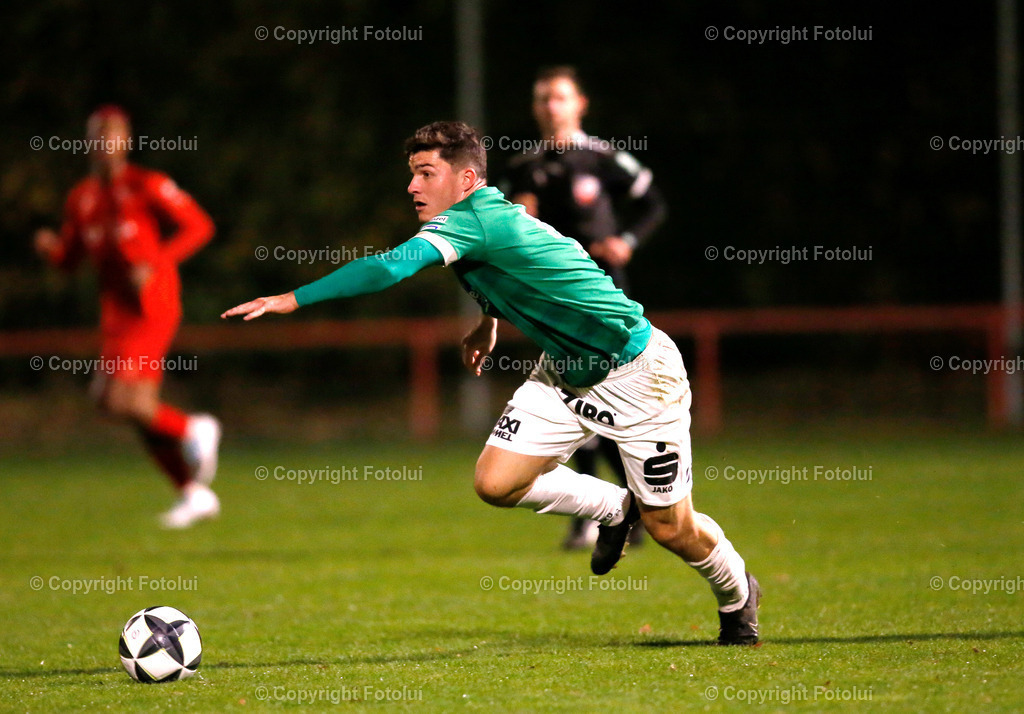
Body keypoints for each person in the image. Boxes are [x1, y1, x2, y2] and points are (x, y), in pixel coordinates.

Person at [222, 121, 760, 644]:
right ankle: (616, 508)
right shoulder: (481, 216)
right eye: (411, 173)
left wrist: (290, 299)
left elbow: (389, 268)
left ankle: (738, 597)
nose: (412, 186)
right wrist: (487, 321)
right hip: (565, 371)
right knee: (496, 482)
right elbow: (505, 269)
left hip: (639, 374)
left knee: (672, 529)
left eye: (426, 173)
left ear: (465, 180)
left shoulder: (471, 220)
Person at [35, 105, 222, 529]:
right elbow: (71, 259)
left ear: (126, 141)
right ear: (88, 142)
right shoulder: (82, 198)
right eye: (97, 135)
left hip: (151, 307)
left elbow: (199, 226)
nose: (104, 143)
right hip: (117, 314)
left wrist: (155, 262)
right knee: (126, 405)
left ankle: (194, 428)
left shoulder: (145, 184)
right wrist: (51, 251)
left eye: (112, 135)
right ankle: (192, 493)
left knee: (119, 400)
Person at [505, 66, 667, 550]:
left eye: (559, 97)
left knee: (607, 399)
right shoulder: (525, 167)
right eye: (542, 99)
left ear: (580, 104)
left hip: (604, 292)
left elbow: (654, 203)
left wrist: (628, 241)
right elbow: (520, 230)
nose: (551, 106)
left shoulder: (602, 158)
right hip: (554, 299)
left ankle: (620, 510)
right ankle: (611, 513)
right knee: (580, 400)